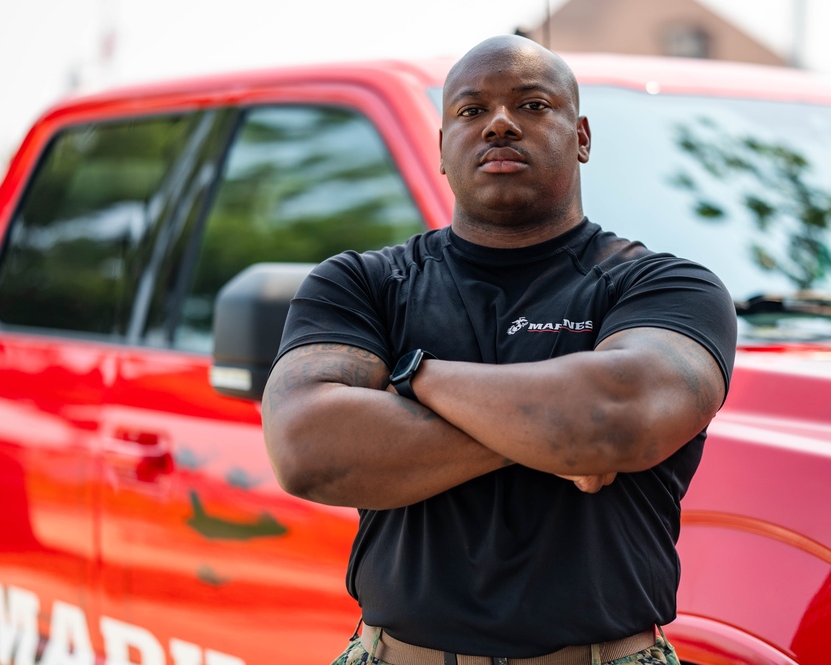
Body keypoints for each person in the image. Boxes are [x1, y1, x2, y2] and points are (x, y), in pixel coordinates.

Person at [262, 34, 737, 665]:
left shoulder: (665, 287)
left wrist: (410, 376)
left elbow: (614, 418)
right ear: (441, 148)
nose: (501, 124)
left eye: (534, 105)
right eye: (470, 110)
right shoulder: (362, 284)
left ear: (583, 137)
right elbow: (307, 449)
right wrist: (552, 433)